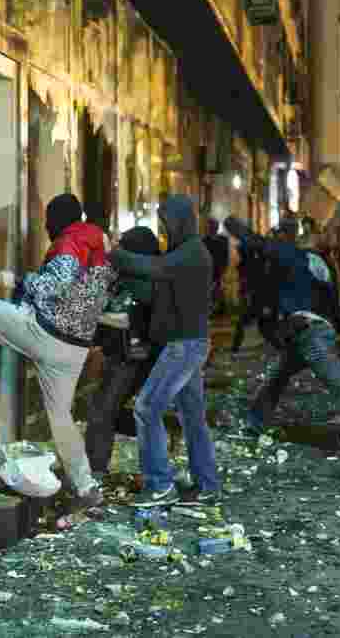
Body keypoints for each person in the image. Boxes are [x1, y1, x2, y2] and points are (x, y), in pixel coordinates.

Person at [0, 193, 115, 514]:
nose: (44, 226)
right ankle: (85, 487)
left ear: (58, 219)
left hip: (45, 334)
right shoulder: (98, 246)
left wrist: (18, 279)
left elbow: (55, 285)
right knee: (61, 419)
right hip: (74, 350)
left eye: (47, 219)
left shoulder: (70, 242)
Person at [108, 194, 220, 507]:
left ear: (180, 220)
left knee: (146, 408)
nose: (163, 227)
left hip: (184, 346)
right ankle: (207, 484)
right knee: (192, 415)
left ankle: (160, 485)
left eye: (166, 221)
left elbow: (153, 268)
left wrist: (112, 253)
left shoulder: (191, 253)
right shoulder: (186, 251)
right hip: (187, 343)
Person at [223, 215, 340, 433]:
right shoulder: (317, 262)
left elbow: (259, 243)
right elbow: (332, 302)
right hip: (307, 330)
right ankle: (254, 423)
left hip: (309, 332)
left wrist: (235, 226)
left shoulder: (295, 255)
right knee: (276, 379)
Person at [85, 226, 161, 478]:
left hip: (129, 356)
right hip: (127, 353)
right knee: (110, 410)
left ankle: (95, 471)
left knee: (102, 411)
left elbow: (125, 318)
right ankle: (160, 437)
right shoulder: (141, 274)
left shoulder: (142, 280)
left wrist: (92, 314)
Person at [202, 217, 230, 317]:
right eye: (210, 226)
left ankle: (221, 309)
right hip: (208, 270)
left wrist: (224, 268)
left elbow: (225, 255)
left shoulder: (223, 240)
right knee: (210, 291)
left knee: (220, 290)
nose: (212, 228)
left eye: (214, 226)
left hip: (219, 269)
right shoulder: (204, 241)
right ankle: (211, 310)